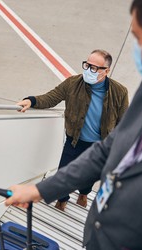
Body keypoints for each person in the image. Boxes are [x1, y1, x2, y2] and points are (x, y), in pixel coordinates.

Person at [5, 0, 142, 250]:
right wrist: (42, 190)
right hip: (96, 241)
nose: (138, 49)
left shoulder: (122, 92)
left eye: (138, 37)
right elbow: (112, 146)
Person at [17, 50, 129, 211]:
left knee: (88, 177)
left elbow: (123, 122)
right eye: (87, 65)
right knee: (63, 174)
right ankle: (62, 200)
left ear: (106, 71)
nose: (88, 70)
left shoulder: (120, 92)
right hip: (74, 141)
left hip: (99, 146)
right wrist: (31, 101)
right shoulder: (72, 84)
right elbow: (51, 97)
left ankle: (84, 194)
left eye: (94, 68)